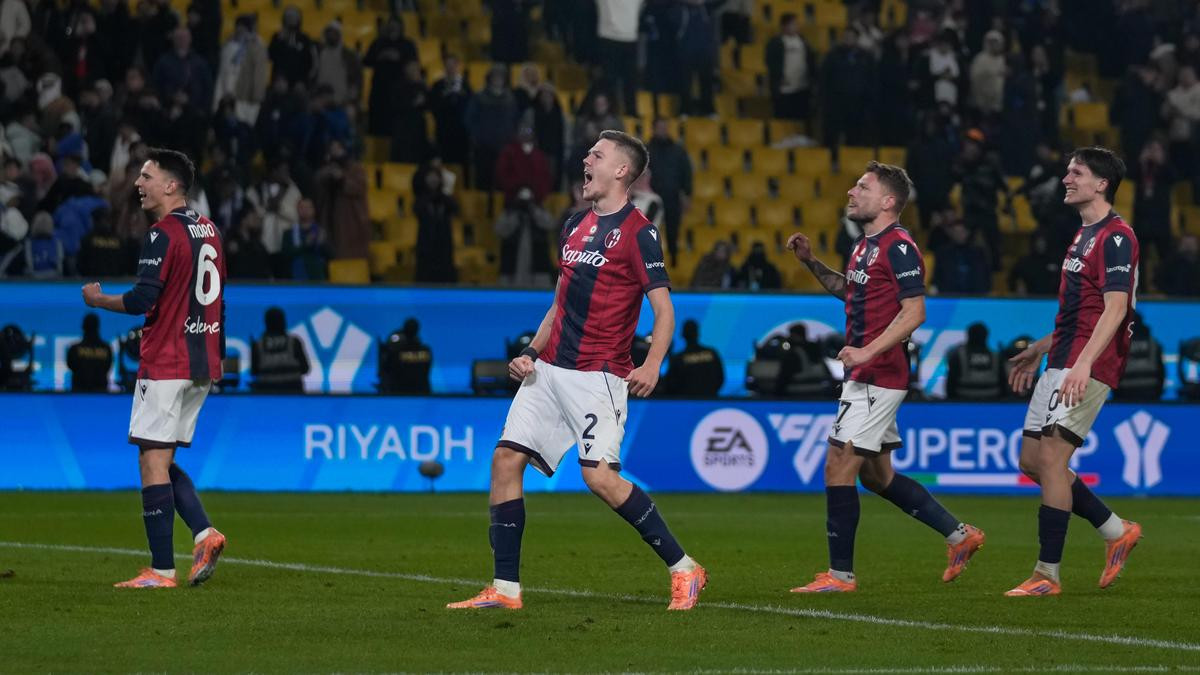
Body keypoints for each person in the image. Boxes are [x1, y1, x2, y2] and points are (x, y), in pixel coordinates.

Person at [448, 130, 707, 612]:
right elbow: (558, 303)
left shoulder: (639, 232)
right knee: (506, 461)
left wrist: (651, 363)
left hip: (599, 376)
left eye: (597, 155)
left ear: (621, 171)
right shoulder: (573, 224)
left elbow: (665, 311)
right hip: (548, 371)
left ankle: (685, 567)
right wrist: (530, 350)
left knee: (601, 479)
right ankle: (505, 589)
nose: (586, 160)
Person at [785, 161, 984, 593]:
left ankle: (840, 576)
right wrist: (812, 263)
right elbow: (850, 290)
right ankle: (959, 535)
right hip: (867, 373)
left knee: (838, 466)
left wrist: (866, 351)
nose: (852, 192)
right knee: (877, 477)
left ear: (888, 201)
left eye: (863, 186)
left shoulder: (899, 246)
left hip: (878, 375)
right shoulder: (864, 246)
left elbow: (915, 312)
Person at [80, 147, 227, 589]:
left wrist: (98, 299)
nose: (138, 184)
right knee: (158, 456)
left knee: (151, 461)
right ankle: (205, 534)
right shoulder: (210, 230)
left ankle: (161, 570)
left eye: (146, 176)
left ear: (171, 184)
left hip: (167, 360)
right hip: (203, 360)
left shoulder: (162, 234)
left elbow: (144, 299)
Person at [1003, 146, 1143, 597]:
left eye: (1076, 173)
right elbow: (1077, 311)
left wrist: (1083, 364)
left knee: (1052, 461)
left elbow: (1116, 306)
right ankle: (1115, 529)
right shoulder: (1082, 236)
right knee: (1031, 462)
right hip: (1062, 358)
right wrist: (1040, 349)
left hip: (1088, 364)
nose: (1066, 179)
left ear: (1101, 184)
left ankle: (1047, 575)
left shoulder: (1117, 236)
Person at [765, 13, 813, 124]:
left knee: (800, 118)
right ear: (784, 26)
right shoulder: (776, 42)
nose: (796, 27)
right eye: (793, 24)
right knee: (783, 118)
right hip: (784, 88)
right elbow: (770, 62)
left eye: (796, 24)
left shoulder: (803, 42)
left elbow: (810, 61)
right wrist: (779, 77)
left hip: (801, 86)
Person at [251, 307, 309, 392]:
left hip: (267, 397)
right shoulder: (294, 342)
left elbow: (254, 372)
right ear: (283, 322)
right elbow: (305, 369)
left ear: (266, 323)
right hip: (294, 396)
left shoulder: (257, 345)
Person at [666, 319, 723, 397]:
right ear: (698, 333)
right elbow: (720, 379)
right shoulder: (712, 353)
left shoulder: (678, 359)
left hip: (686, 404)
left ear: (683, 335)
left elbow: (670, 385)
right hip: (710, 401)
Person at [945, 322, 1002, 399]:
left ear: (968, 335)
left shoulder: (958, 357)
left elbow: (950, 385)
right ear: (986, 336)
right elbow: (1003, 384)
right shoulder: (997, 357)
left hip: (963, 404)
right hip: (993, 404)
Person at [378, 318, 432, 394]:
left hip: (400, 394)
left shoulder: (396, 353)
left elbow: (387, 370)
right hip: (422, 392)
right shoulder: (426, 351)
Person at [67, 312, 113, 392]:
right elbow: (107, 367)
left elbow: (71, 365)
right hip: (101, 395)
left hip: (78, 395)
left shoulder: (74, 349)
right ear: (98, 327)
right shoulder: (106, 348)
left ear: (83, 327)